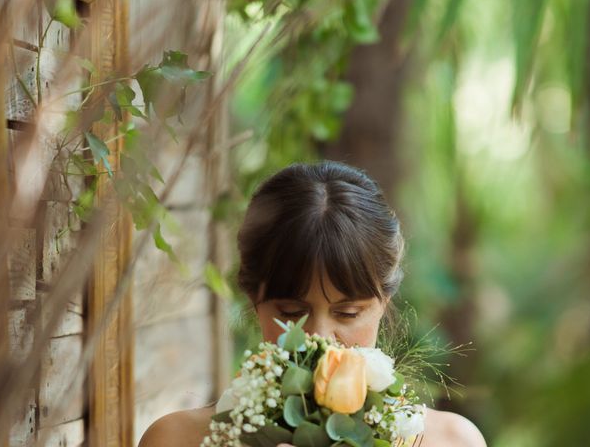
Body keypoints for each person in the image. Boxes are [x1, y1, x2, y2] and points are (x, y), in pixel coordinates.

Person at [139, 161, 487, 447]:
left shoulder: (453, 441)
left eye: (348, 313)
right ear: (254, 300)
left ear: (384, 302)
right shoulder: (175, 439)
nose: (317, 337)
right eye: (291, 313)